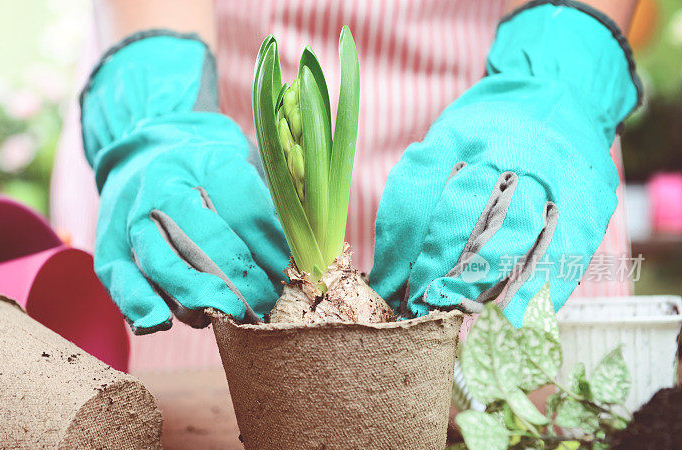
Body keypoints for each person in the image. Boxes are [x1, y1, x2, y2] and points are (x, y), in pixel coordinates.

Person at [57, 0, 640, 369]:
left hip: (502, 123)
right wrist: (158, 102)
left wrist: (558, 66)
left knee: (542, 429)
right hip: (212, 131)